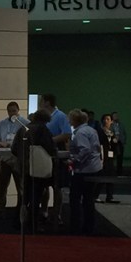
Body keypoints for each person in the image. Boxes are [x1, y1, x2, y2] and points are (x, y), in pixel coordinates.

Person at [11, 109, 58, 232]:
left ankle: (18, 222)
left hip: (22, 167)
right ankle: (33, 225)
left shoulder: (23, 129)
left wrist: (23, 157)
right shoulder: (42, 129)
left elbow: (14, 148)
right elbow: (50, 148)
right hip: (36, 168)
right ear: (46, 120)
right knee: (35, 197)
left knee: (24, 197)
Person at [67, 109, 102, 235]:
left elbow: (85, 150)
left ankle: (76, 226)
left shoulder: (80, 133)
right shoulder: (91, 130)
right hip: (94, 168)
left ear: (75, 120)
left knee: (75, 198)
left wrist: (74, 160)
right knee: (88, 199)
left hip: (84, 170)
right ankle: (89, 226)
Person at [39, 94, 71, 226]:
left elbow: (67, 134)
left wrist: (50, 140)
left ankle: (57, 214)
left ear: (47, 102)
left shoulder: (61, 116)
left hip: (56, 155)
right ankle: (44, 211)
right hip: (44, 154)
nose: (40, 103)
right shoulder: (43, 117)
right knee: (43, 185)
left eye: (41, 101)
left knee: (57, 186)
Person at [0, 102, 25, 213]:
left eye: (14, 111)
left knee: (20, 185)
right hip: (4, 158)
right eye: (10, 111)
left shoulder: (25, 123)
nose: (12, 113)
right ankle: (0, 209)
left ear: (18, 110)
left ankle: (20, 209)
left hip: (18, 159)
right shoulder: (1, 124)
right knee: (2, 185)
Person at [99, 113, 120, 204]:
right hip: (103, 157)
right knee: (101, 177)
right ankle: (95, 195)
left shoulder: (111, 133)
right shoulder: (100, 132)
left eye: (108, 119)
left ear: (111, 121)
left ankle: (110, 196)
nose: (106, 121)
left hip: (110, 157)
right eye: (105, 119)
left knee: (111, 176)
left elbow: (114, 145)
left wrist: (115, 142)